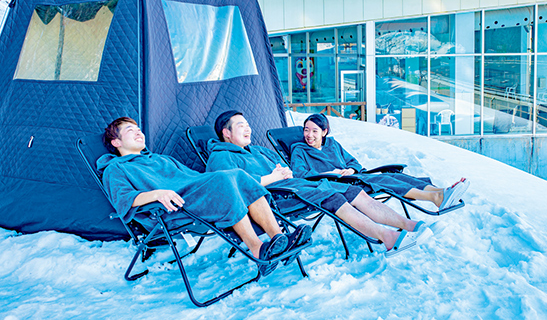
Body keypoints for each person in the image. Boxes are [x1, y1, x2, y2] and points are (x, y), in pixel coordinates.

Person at [97, 117, 311, 277]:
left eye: (139, 129)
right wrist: (157, 193)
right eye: (130, 130)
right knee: (225, 178)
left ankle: (279, 239)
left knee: (237, 177)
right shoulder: (115, 168)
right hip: (174, 209)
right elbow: (123, 200)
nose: (139, 133)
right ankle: (257, 249)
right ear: (116, 142)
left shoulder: (161, 159)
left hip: (194, 194)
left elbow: (192, 178)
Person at [206, 111, 434, 255]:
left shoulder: (258, 150)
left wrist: (284, 172)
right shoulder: (221, 156)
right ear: (226, 133)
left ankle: (408, 225)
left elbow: (285, 169)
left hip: (295, 186)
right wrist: (273, 178)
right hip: (277, 198)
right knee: (335, 198)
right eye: (241, 125)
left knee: (354, 192)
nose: (248, 128)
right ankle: (388, 237)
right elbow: (231, 186)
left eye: (247, 124)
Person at [291, 113, 469, 211]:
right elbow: (300, 175)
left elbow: (353, 162)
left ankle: (441, 191)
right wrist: (331, 173)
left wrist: (351, 170)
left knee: (394, 175)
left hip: (353, 177)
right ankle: (435, 198)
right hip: (337, 184)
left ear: (324, 132)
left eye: (314, 131)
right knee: (385, 180)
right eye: (306, 130)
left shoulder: (332, 144)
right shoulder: (299, 150)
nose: (309, 135)